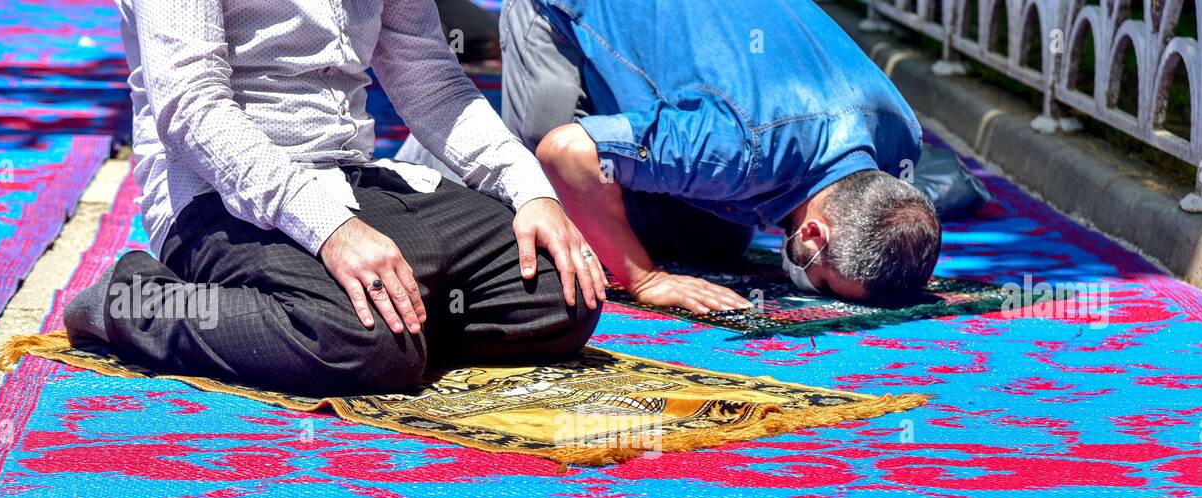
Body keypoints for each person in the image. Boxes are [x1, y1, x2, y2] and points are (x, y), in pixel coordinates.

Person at [63, 0, 606, 397]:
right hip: (218, 198)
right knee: (364, 347)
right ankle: (133, 302)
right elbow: (191, 109)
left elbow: (432, 83)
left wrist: (532, 191)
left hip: (353, 180)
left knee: (564, 291)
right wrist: (331, 230)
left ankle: (352, 316)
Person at [400, 0, 941, 314]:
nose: (813, 290)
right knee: (542, 196)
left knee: (714, 243)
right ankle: (428, 158)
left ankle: (633, 139)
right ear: (815, 236)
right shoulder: (736, 150)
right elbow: (567, 153)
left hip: (708, 63)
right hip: (566, 11)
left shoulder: (900, 137)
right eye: (822, 282)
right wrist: (643, 278)